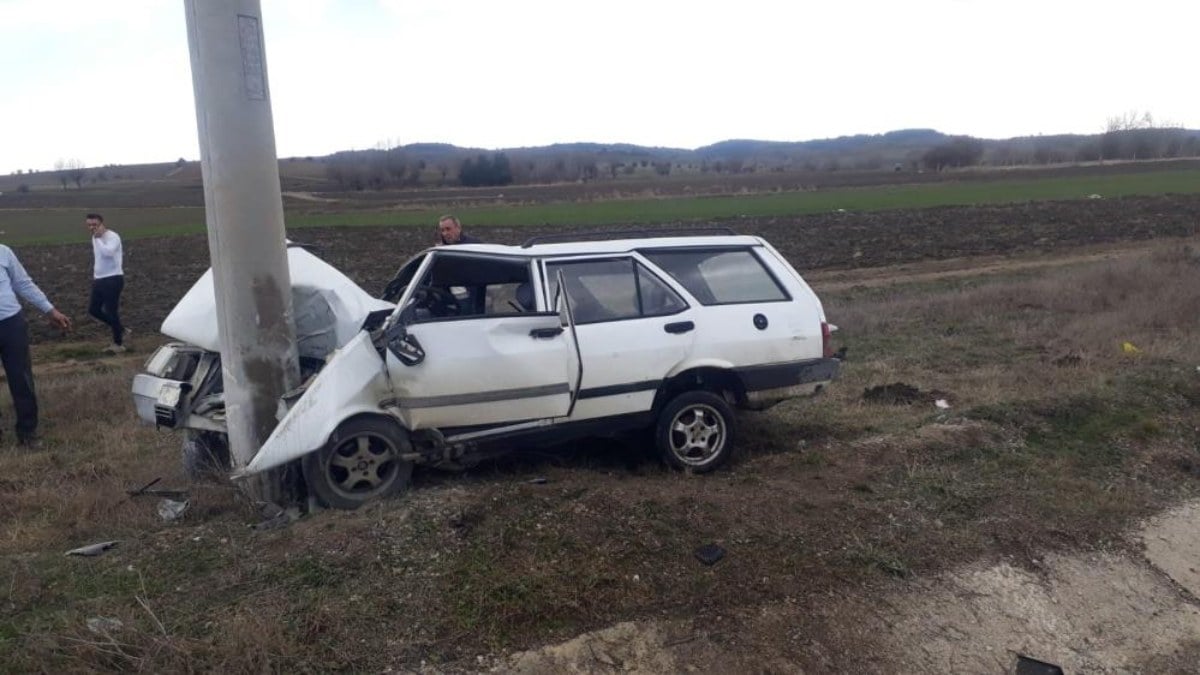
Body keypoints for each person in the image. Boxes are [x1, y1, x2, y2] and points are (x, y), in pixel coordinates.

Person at [0, 244, 72, 446]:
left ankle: (27, 432)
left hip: (10, 323)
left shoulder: (3, 252)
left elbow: (23, 284)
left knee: (21, 378)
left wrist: (50, 310)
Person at [85, 213, 127, 353]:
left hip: (113, 278)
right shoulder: (95, 238)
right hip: (99, 279)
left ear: (102, 224)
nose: (92, 228)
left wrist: (98, 240)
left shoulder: (112, 237)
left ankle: (118, 344)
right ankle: (120, 329)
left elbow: (108, 253)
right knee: (94, 310)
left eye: (95, 225)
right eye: (89, 225)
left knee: (111, 311)